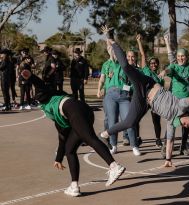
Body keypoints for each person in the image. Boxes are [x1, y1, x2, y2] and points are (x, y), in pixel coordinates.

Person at [98, 25, 189, 167]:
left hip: (143, 99)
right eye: (188, 124)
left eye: (188, 126)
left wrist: (168, 159)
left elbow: (170, 141)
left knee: (130, 122)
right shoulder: (181, 105)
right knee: (126, 67)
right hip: (146, 84)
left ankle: (106, 134)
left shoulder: (172, 122)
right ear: (188, 116)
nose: (185, 126)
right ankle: (114, 42)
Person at [20, 69, 126, 197]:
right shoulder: (58, 116)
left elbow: (39, 84)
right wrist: (59, 158)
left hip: (73, 109)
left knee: (90, 138)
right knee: (69, 149)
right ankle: (74, 186)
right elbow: (63, 137)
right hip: (83, 110)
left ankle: (114, 166)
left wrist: (30, 77)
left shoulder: (48, 96)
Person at [159, 29, 189, 156]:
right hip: (175, 101)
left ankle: (183, 146)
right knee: (172, 123)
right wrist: (164, 72)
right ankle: (166, 146)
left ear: (187, 57)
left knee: (186, 125)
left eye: (183, 56)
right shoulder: (175, 67)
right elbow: (169, 70)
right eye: (179, 56)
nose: (181, 58)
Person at [99, 42, 139, 155]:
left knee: (129, 121)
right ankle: (113, 145)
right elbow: (112, 52)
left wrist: (126, 87)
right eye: (128, 56)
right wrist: (108, 38)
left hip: (124, 96)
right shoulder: (116, 63)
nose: (130, 58)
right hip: (110, 95)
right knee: (112, 122)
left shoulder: (133, 69)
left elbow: (134, 85)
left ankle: (134, 146)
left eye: (132, 57)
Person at [136, 34, 165, 148]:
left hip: (155, 101)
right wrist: (139, 42)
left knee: (156, 121)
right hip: (145, 99)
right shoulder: (146, 70)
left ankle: (158, 139)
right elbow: (143, 55)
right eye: (151, 63)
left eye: (155, 63)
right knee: (137, 117)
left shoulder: (159, 78)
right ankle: (137, 138)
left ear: (157, 64)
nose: (153, 64)